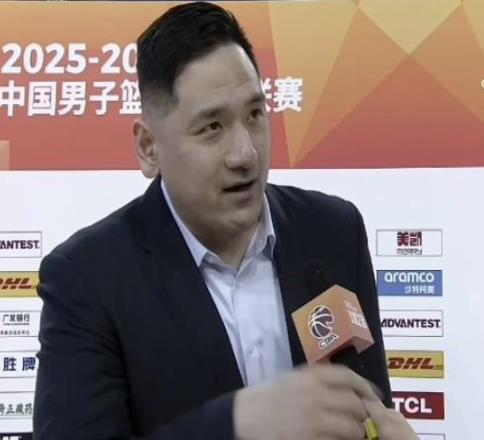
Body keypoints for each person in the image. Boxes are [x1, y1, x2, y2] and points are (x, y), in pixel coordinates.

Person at [34, 2, 414, 439]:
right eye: (212, 127)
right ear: (149, 148)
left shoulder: (333, 231)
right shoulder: (88, 278)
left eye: (254, 115)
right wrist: (237, 424)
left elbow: (371, 409)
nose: (245, 154)